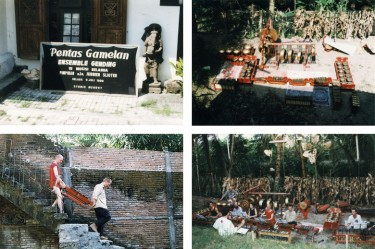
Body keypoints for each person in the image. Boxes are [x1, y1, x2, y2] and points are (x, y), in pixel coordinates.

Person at [141, 23, 163, 88]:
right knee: (145, 67)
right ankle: (148, 78)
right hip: (148, 57)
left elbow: (161, 47)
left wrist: (158, 51)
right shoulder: (148, 38)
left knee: (155, 68)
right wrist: (145, 52)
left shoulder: (159, 40)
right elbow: (144, 43)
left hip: (155, 57)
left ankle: (155, 79)